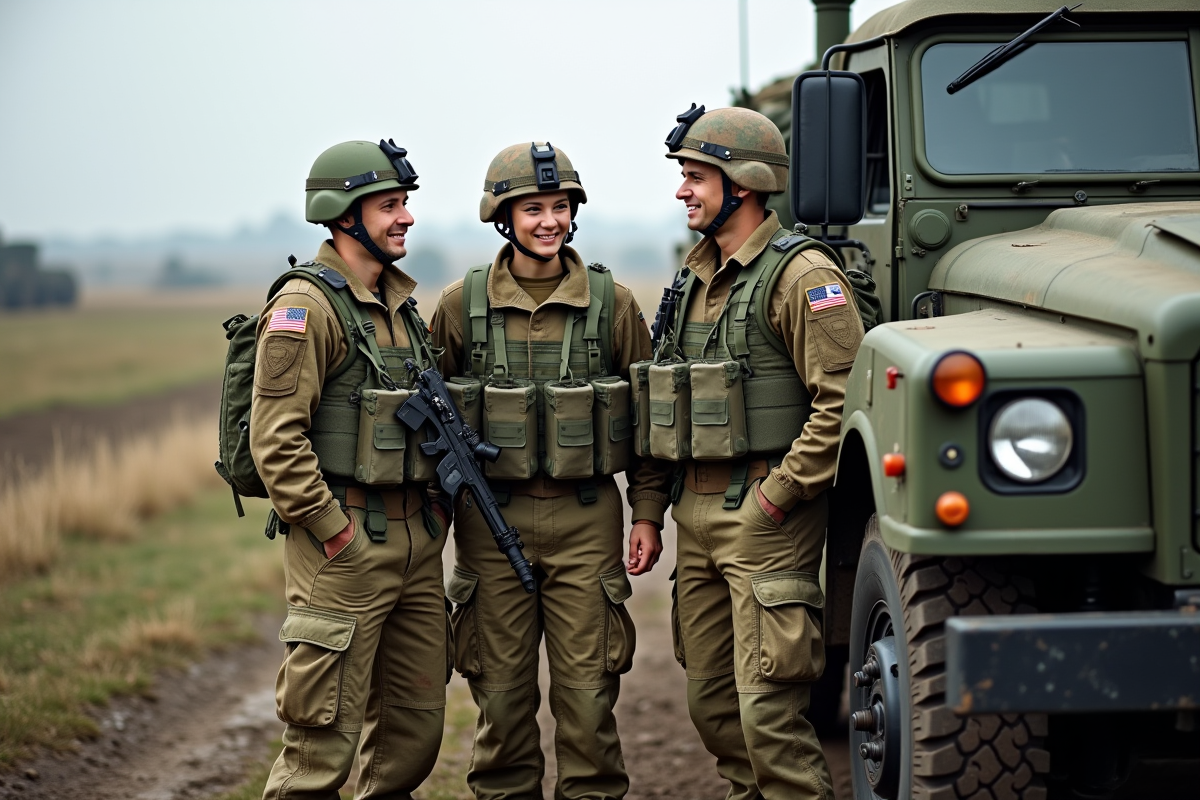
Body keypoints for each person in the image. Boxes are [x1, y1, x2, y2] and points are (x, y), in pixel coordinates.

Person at [430, 141, 668, 800]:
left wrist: (647, 514)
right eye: (533, 208)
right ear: (504, 216)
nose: (548, 221)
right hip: (489, 523)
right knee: (500, 708)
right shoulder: (459, 306)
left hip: (586, 519)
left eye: (559, 206)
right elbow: (427, 424)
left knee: (589, 706)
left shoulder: (612, 303)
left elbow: (649, 425)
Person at [655, 105, 864, 799]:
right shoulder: (694, 278)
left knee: (770, 712)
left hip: (768, 512)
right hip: (698, 509)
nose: (683, 191)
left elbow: (842, 401)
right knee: (713, 708)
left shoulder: (802, 276)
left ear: (740, 184)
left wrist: (781, 493)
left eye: (694, 177)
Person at [252, 139, 450, 800]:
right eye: (390, 205)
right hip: (344, 546)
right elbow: (277, 439)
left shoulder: (399, 306)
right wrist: (333, 531)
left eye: (405, 204)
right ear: (343, 215)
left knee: (412, 738)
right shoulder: (306, 307)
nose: (406, 218)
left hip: (415, 546)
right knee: (319, 748)